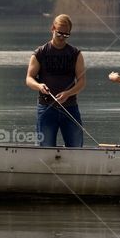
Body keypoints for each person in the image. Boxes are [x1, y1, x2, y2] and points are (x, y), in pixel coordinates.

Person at [26, 14, 86, 147]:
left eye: (66, 35)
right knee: (45, 148)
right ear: (53, 28)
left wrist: (68, 93)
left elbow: (82, 82)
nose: (62, 37)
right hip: (46, 108)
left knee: (76, 147)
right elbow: (29, 79)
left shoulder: (75, 54)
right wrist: (39, 86)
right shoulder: (40, 53)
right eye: (59, 34)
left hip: (70, 108)